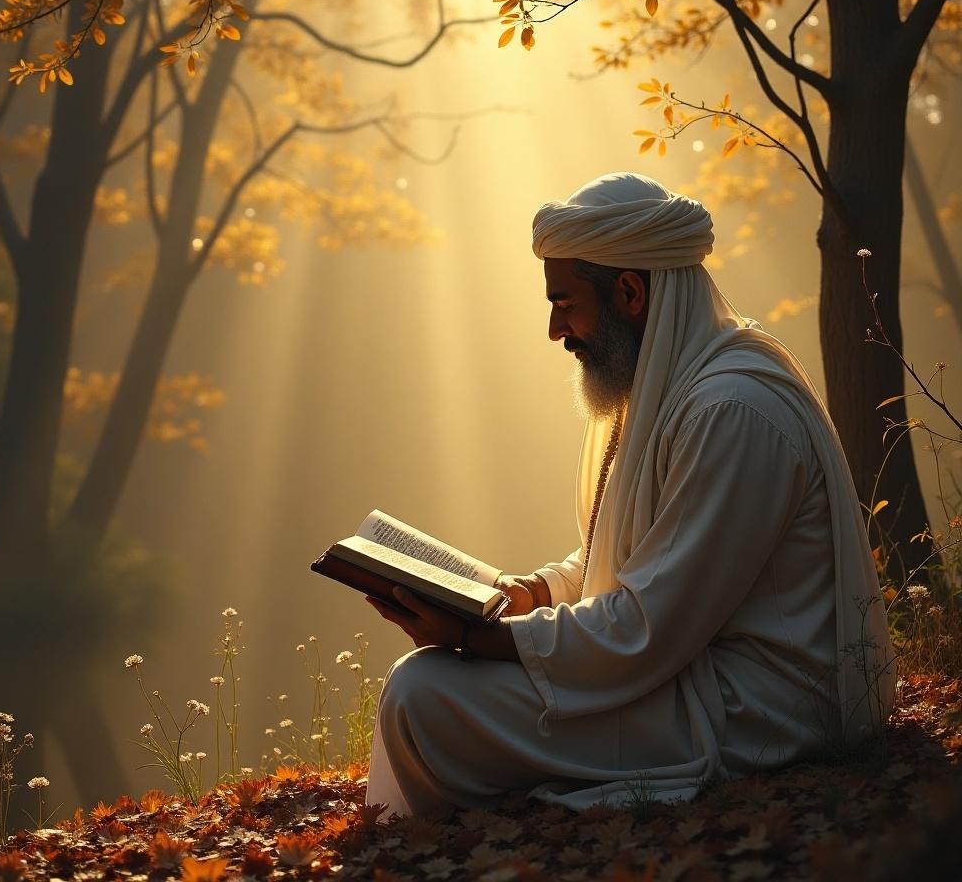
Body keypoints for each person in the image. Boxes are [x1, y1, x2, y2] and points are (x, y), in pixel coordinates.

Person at [364, 172, 895, 817]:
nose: (555, 331)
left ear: (630, 292)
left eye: (564, 303)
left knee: (426, 697)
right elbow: (627, 564)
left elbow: (649, 623)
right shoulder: (672, 395)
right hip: (684, 675)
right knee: (426, 689)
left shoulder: (732, 410)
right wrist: (528, 594)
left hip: (752, 710)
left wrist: (478, 640)